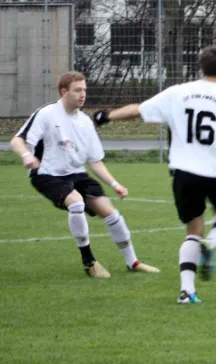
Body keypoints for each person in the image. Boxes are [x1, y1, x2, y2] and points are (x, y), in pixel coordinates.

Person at [92, 45, 216, 304]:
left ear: (201, 67)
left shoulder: (177, 93)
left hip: (184, 173)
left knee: (193, 230)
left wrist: (107, 116)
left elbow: (138, 110)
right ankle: (213, 242)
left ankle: (187, 291)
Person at [10, 71, 160, 279]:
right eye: (77, 90)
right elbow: (16, 141)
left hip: (76, 174)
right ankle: (89, 261)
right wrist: (26, 155)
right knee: (77, 203)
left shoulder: (85, 122)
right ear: (64, 92)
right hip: (46, 174)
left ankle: (133, 262)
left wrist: (115, 184)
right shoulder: (47, 113)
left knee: (111, 213)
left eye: (85, 90)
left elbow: (95, 161)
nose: (83, 94)